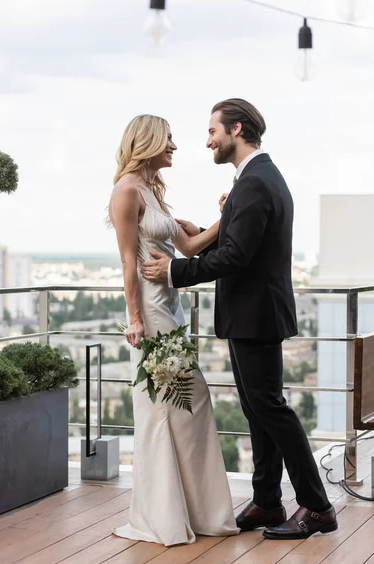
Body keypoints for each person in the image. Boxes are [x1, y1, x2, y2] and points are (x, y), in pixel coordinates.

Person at [141, 99, 338, 540]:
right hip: (251, 316)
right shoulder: (255, 180)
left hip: (256, 317)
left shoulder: (255, 183)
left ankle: (318, 506)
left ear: (235, 129)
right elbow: (235, 242)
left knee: (270, 407)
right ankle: (268, 501)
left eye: (212, 130)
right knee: (257, 410)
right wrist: (215, 222)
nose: (207, 140)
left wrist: (174, 271)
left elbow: (235, 255)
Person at [108, 114, 239, 546]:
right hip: (150, 310)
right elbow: (129, 261)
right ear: (146, 141)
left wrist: (224, 218)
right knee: (166, 408)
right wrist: (134, 318)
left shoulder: (153, 194)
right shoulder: (126, 191)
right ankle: (162, 516)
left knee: (188, 410)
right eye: (168, 139)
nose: (176, 147)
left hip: (173, 308)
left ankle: (197, 512)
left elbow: (186, 247)